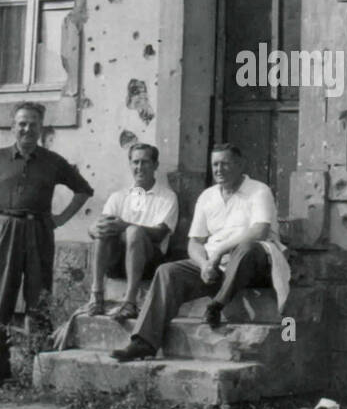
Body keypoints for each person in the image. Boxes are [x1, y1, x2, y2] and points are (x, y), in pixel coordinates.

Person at [0, 103, 92, 390]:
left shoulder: (52, 162)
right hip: (5, 229)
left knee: (39, 300)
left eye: (33, 124)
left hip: (39, 230)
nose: (27, 129)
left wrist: (60, 219)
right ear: (13, 127)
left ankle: (39, 371)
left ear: (42, 129)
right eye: (22, 124)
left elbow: (84, 189)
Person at [111, 143, 289, 362]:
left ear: (240, 164)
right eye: (215, 164)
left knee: (247, 249)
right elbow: (194, 243)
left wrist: (219, 252)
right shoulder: (207, 196)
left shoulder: (259, 190)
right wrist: (204, 264)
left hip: (255, 265)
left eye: (225, 163)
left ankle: (217, 304)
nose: (219, 169)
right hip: (216, 267)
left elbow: (259, 231)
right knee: (168, 271)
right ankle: (143, 342)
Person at [66, 143, 179, 328]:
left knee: (134, 231)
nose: (139, 167)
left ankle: (130, 302)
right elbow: (99, 227)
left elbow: (160, 234)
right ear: (130, 164)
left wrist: (127, 226)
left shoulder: (167, 196)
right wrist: (92, 229)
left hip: (150, 262)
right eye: (135, 162)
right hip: (118, 261)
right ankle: (97, 295)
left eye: (145, 162)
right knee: (103, 228)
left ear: (155, 165)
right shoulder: (119, 196)